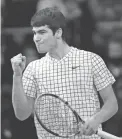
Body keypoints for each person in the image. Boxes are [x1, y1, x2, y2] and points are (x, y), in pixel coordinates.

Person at [10, 7, 118, 139]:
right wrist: (17, 76)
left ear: (58, 33)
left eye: (42, 32)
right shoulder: (33, 68)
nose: (36, 38)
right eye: (34, 33)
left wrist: (96, 120)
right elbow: (22, 115)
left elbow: (112, 104)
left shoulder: (91, 60)